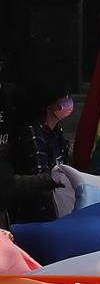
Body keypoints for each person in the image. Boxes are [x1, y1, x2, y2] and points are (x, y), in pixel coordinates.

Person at [6, 84, 71, 226]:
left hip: (58, 207)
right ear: (50, 104)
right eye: (64, 98)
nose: (68, 101)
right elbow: (41, 180)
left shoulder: (56, 132)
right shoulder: (33, 133)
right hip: (39, 216)